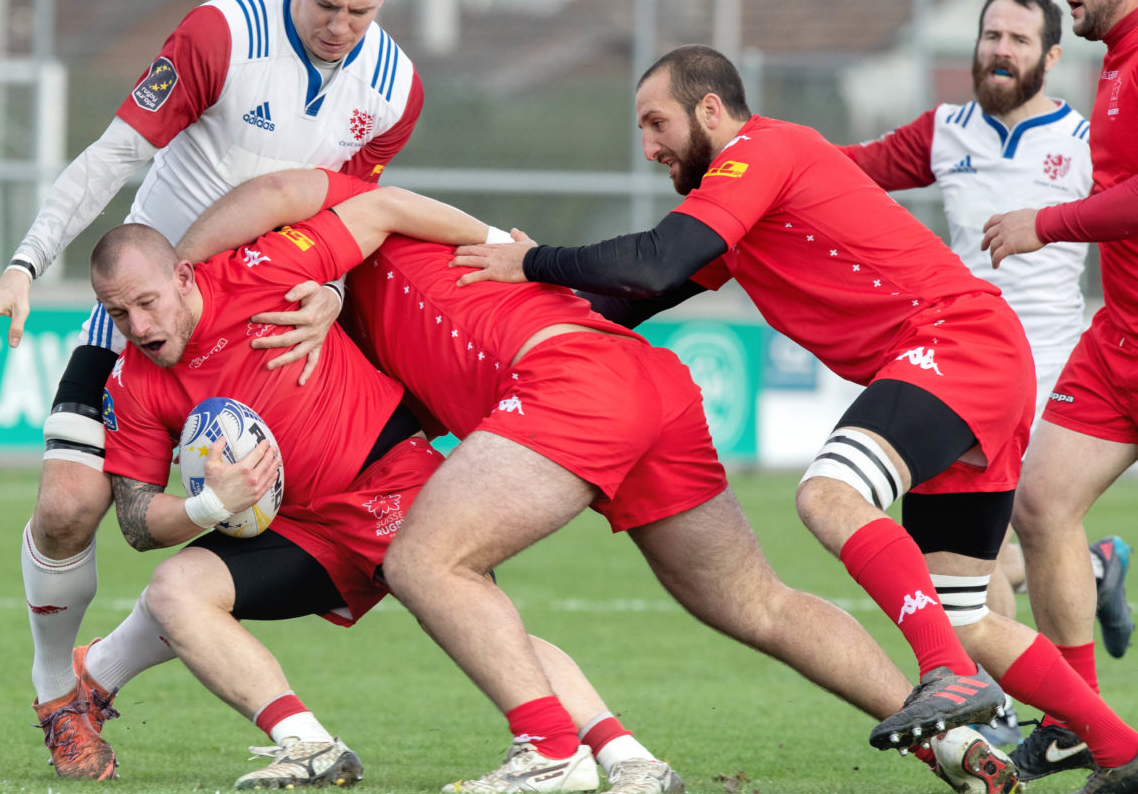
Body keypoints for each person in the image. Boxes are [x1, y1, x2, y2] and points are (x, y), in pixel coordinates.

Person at [175, 167, 1024, 794]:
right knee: (755, 600)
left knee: (426, 563)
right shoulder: (333, 310)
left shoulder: (335, 222)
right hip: (640, 381)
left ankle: (549, 750)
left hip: (568, 382)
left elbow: (291, 189)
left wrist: (191, 258)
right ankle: (952, 741)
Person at [452, 44, 1138, 794]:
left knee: (829, 494)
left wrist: (534, 259)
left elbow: (653, 258)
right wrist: (518, 312)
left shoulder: (760, 150)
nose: (649, 147)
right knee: (967, 613)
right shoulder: (743, 197)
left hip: (954, 343)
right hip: (980, 357)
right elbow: (638, 294)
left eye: (658, 123)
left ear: (712, 110)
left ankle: (945, 673)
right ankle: (1118, 747)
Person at [0, 0, 423, 780]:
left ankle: (97, 680)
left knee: (260, 521)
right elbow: (111, 157)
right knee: (67, 508)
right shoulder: (222, 33)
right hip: (146, 316)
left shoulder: (396, 86)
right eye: (327, 5)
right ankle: (57, 691)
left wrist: (334, 294)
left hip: (261, 326)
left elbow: (352, 207)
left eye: (361, 11)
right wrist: (23, 265)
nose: (341, 25)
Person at [78, 181, 683, 792]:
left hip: (391, 482)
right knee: (173, 589)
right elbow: (135, 521)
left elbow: (377, 207)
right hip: (299, 531)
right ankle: (307, 745)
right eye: (120, 313)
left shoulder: (262, 268)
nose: (139, 326)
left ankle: (627, 758)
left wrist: (505, 248)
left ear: (184, 275)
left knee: (481, 623)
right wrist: (210, 504)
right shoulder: (132, 383)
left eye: (147, 303)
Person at [838, 0, 1133, 747]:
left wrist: (1049, 223)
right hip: (971, 365)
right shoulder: (944, 131)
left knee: (999, 542)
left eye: (1017, 38)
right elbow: (850, 173)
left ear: (1051, 56)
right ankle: (1050, 707)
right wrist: (762, 157)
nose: (1000, 48)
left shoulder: (1082, 129)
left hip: (1061, 357)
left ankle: (1019, 696)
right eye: (990, 34)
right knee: (1000, 537)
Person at [980, 0, 1138, 784]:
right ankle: (1080, 719)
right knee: (1039, 507)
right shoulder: (1116, 58)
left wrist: (1048, 221)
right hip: (1119, 338)